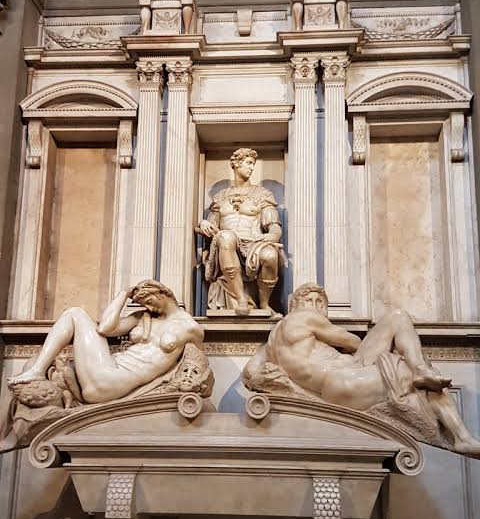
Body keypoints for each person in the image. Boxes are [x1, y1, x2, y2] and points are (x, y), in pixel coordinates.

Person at [244, 282, 480, 456]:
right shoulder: (304, 318)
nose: (315, 306)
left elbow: (249, 374)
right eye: (309, 301)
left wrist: (287, 382)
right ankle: (461, 436)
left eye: (320, 302)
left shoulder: (269, 345)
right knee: (399, 321)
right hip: (349, 380)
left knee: (412, 363)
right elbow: (352, 342)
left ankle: (422, 375)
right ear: (295, 306)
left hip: (336, 388)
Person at [8, 280, 204, 404]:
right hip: (106, 372)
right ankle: (37, 369)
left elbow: (198, 365)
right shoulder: (143, 317)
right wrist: (123, 295)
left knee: (75, 313)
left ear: (162, 293)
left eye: (150, 301)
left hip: (113, 382)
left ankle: (38, 370)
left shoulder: (190, 327)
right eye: (145, 305)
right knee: (73, 314)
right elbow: (105, 329)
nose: (149, 308)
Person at [197, 148, 285, 316]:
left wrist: (272, 235)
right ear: (236, 164)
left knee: (270, 255)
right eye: (248, 163)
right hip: (228, 244)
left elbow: (273, 225)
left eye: (253, 164)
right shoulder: (220, 196)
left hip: (254, 242)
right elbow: (213, 228)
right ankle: (241, 299)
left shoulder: (262, 194)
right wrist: (203, 223)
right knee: (225, 236)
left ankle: (264, 303)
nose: (251, 167)